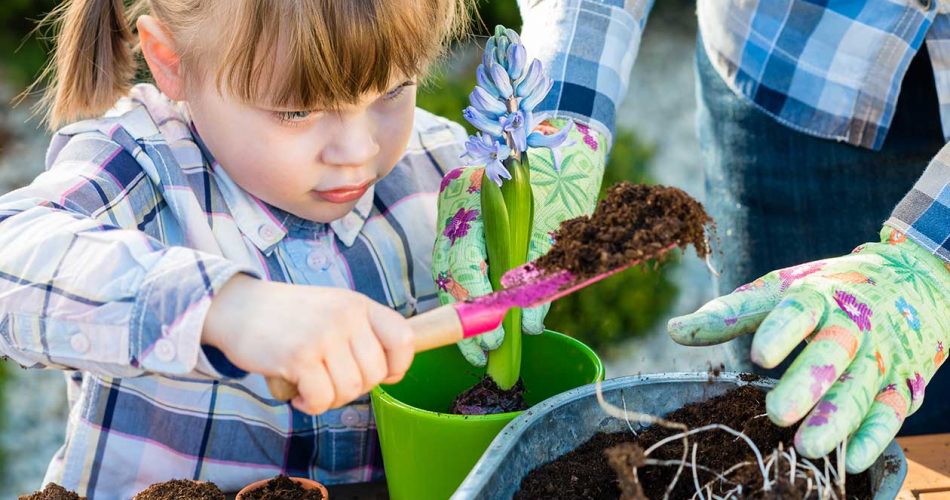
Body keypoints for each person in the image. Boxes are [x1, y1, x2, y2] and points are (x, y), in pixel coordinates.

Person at [0, 0, 629, 497]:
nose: (356, 151)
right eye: (298, 111)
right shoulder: (144, 168)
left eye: (392, 90)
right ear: (172, 62)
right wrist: (231, 309)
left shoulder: (440, 174)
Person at [436, 0, 950, 476]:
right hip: (789, 64)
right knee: (778, 407)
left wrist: (933, 258)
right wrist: (556, 112)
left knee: (917, 423)